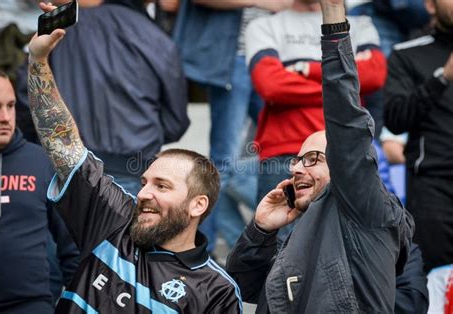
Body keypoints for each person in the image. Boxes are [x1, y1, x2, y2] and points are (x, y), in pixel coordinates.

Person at [26, 3, 242, 312]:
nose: (143, 193)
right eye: (145, 183)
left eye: (162, 186)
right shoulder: (113, 221)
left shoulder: (217, 290)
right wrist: (38, 59)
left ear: (198, 204)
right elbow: (62, 142)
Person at [226, 0, 414, 312]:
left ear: (345, 165)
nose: (298, 168)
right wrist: (260, 231)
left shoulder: (370, 213)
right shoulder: (296, 234)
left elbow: (367, 86)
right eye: (298, 160)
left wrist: (333, 21)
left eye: (313, 158)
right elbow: (241, 286)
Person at [245, 0, 387, 241]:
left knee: (352, 241)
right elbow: (271, 85)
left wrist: (305, 70)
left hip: (345, 153)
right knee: (279, 248)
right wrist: (342, 83)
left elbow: (374, 74)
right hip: (285, 155)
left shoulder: (361, 24)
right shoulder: (264, 25)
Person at [16, 0, 189, 196]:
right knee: (121, 226)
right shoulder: (156, 38)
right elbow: (176, 121)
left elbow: (27, 96)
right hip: (130, 168)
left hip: (60, 167)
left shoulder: (62, 29)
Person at [173, 0, 291, 252]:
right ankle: (200, 250)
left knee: (285, 151)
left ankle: (258, 245)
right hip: (235, 60)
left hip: (273, 59)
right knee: (224, 166)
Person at [0, 60, 79, 312]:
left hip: (30, 305)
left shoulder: (41, 162)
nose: (5, 117)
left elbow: (73, 247)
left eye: (10, 106)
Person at [383, 0, 453, 272]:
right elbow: (396, 119)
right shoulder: (407, 53)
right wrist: (442, 78)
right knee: (436, 289)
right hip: (433, 190)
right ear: (430, 5)